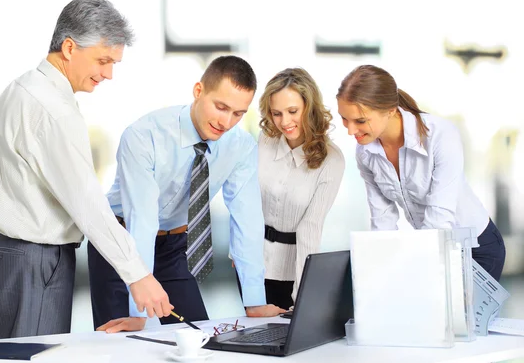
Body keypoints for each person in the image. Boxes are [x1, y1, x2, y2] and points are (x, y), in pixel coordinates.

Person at [0, 0, 171, 340]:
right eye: (103, 60)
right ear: (69, 47)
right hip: (34, 260)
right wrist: (138, 275)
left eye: (114, 63)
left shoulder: (20, 89)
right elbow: (86, 201)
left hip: (5, 254)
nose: (109, 74)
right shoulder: (54, 109)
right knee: (35, 358)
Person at [89, 55, 285, 333]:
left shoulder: (240, 146)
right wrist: (138, 311)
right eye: (221, 107)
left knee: (198, 338)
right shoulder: (144, 135)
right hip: (120, 245)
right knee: (125, 345)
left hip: (173, 249)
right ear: (198, 91)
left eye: (238, 113)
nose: (227, 122)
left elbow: (247, 220)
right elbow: (141, 219)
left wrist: (254, 300)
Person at [336, 64, 506, 281]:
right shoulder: (366, 152)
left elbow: (439, 217)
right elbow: (382, 219)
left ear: (390, 109)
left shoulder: (440, 135)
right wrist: (379, 273)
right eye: (344, 118)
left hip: (477, 250)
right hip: (432, 247)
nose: (351, 130)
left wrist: (415, 270)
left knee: (458, 315)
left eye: (360, 121)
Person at [257, 68, 345, 310]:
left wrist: (301, 296)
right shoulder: (264, 141)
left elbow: (310, 227)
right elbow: (246, 200)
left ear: (310, 107)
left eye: (293, 111)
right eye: (277, 113)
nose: (285, 122)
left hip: (291, 272)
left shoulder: (332, 160)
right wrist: (240, 254)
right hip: (252, 263)